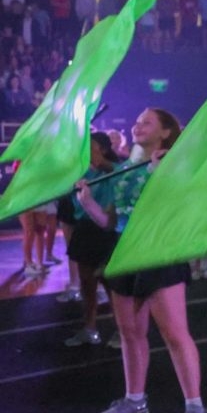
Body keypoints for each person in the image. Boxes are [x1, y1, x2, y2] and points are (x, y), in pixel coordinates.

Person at [76, 108, 206, 413]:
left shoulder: (176, 165)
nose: (137, 126)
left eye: (146, 122)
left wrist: (164, 174)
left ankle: (194, 405)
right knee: (130, 333)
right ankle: (135, 399)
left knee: (175, 334)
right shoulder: (124, 169)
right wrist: (87, 201)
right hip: (124, 253)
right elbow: (110, 221)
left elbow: (183, 208)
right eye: (136, 121)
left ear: (165, 132)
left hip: (159, 252)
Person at [63, 132, 122, 347]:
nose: (86, 150)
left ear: (103, 150)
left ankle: (121, 330)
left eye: (91, 146)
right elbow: (76, 203)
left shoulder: (117, 170)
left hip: (107, 233)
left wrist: (104, 163)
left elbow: (120, 178)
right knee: (87, 284)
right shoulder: (81, 172)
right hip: (85, 231)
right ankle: (89, 328)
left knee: (112, 285)